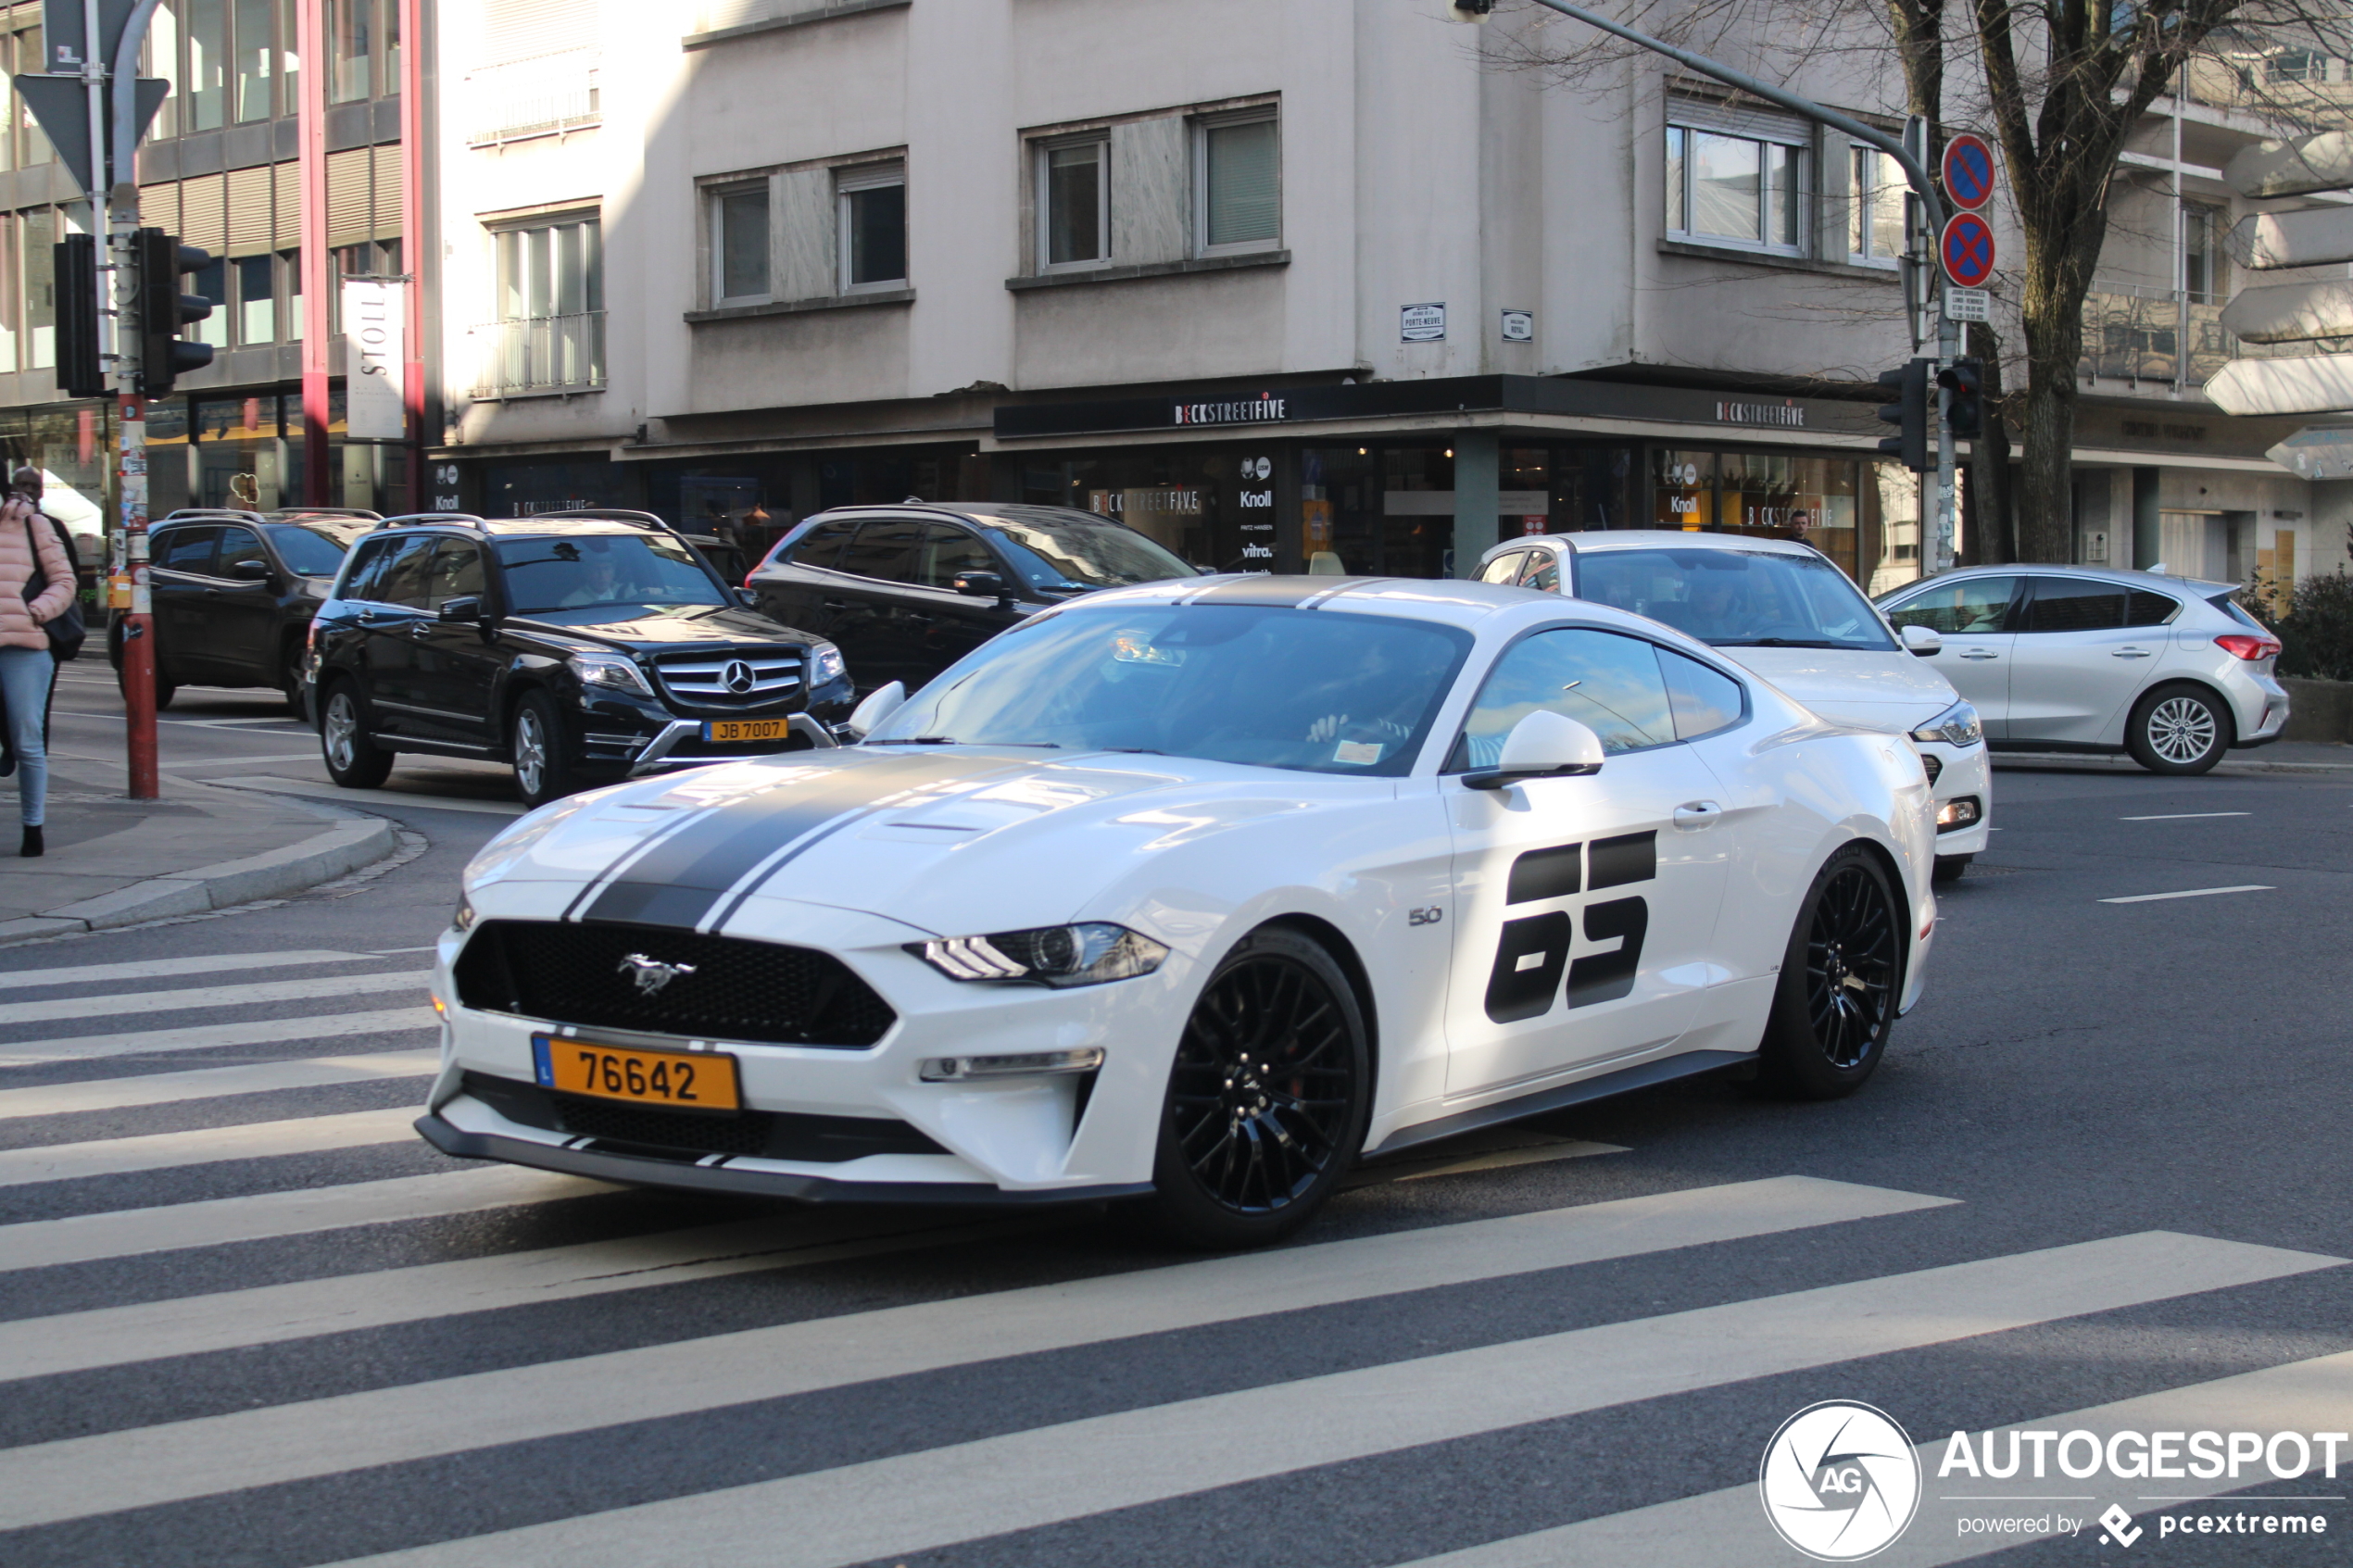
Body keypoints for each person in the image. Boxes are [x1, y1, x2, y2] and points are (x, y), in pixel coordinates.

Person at [0, 469, 76, 857]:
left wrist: (36, 612)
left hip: (24, 645)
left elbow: (64, 580)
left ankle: (33, 829)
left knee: (27, 740)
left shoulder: (33, 525)